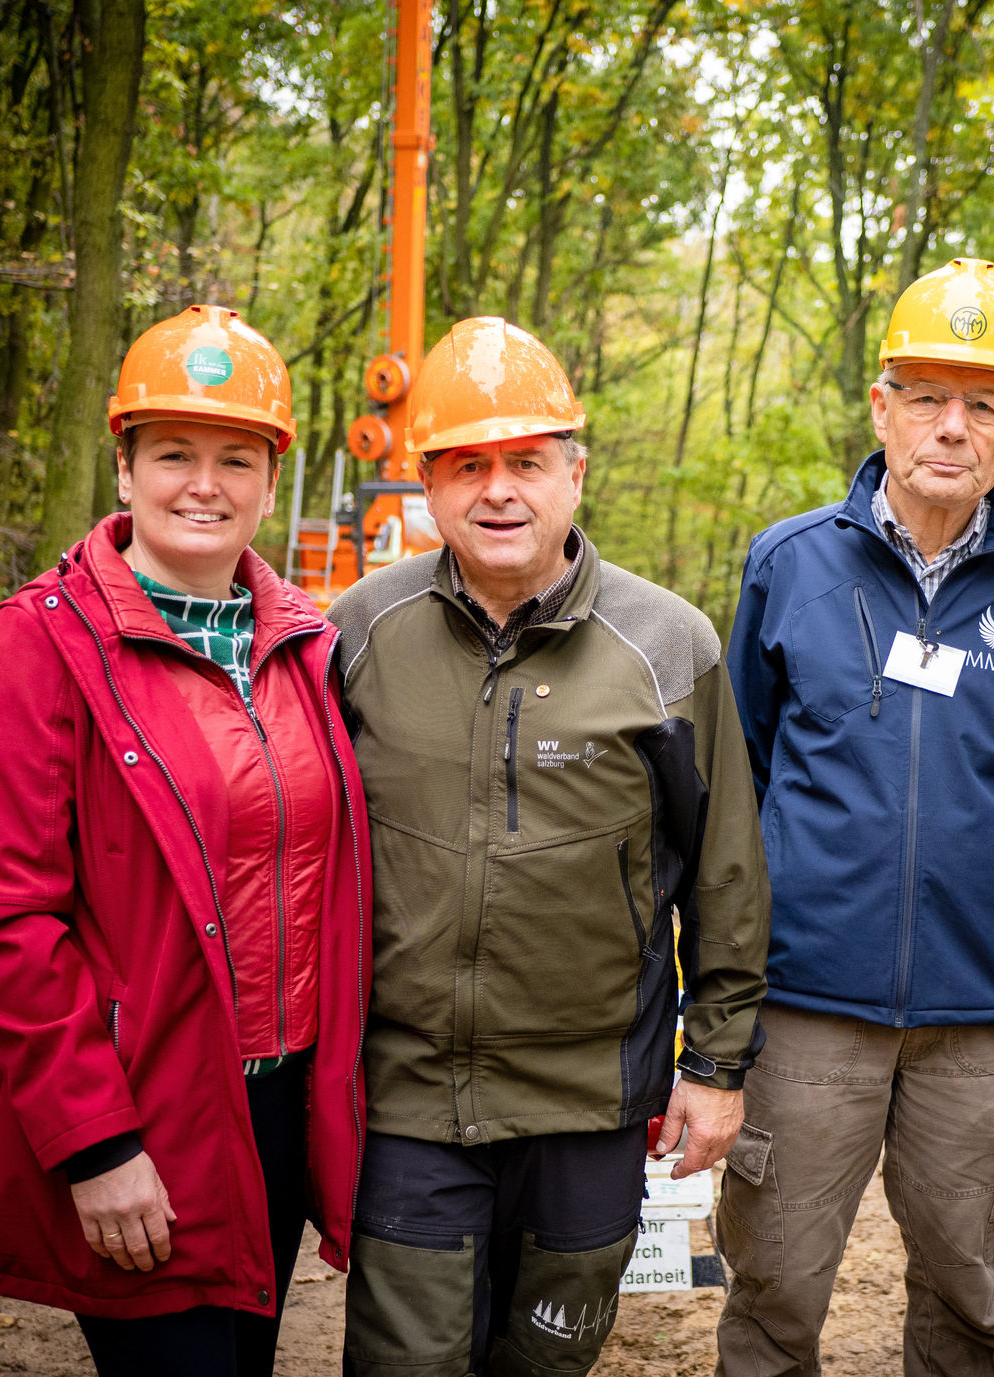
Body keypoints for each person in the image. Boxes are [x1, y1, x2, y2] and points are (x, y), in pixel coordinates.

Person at [326, 316, 771, 1377]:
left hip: (591, 1101)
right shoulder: (355, 634)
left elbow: (726, 872)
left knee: (543, 1363)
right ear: (426, 483)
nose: (499, 490)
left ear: (575, 472)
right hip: (410, 1101)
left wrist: (713, 1065)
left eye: (526, 461)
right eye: (468, 464)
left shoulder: (669, 645)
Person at [0, 304, 371, 1377]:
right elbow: (5, 924)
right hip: (148, 1113)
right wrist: (97, 1145)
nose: (204, 484)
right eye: (174, 452)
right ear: (125, 465)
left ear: (271, 480)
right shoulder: (36, 647)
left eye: (236, 457)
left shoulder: (305, 647)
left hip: (280, 1110)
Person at [719, 257, 994, 1375]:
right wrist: (718, 1000)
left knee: (965, 1297)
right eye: (929, 398)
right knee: (774, 1293)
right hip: (804, 1012)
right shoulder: (787, 566)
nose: (953, 427)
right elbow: (731, 802)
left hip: (983, 1023)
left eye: (983, 403)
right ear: (882, 404)